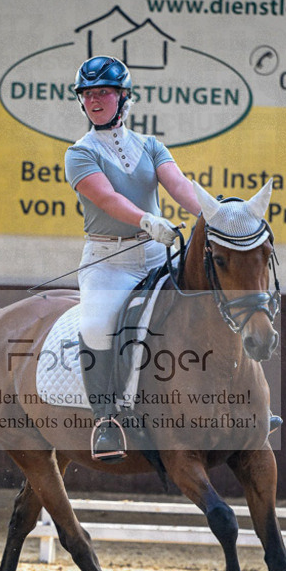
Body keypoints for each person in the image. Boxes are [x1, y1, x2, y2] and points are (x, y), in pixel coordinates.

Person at [64, 55, 202, 462]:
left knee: (214, 303)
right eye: (87, 94)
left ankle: (249, 405)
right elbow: (107, 197)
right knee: (97, 324)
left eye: (103, 92)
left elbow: (179, 186)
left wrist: (213, 213)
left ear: (124, 98)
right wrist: (146, 219)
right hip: (110, 260)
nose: (94, 100)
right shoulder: (80, 153)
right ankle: (108, 420)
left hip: (158, 256)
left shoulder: (151, 146)